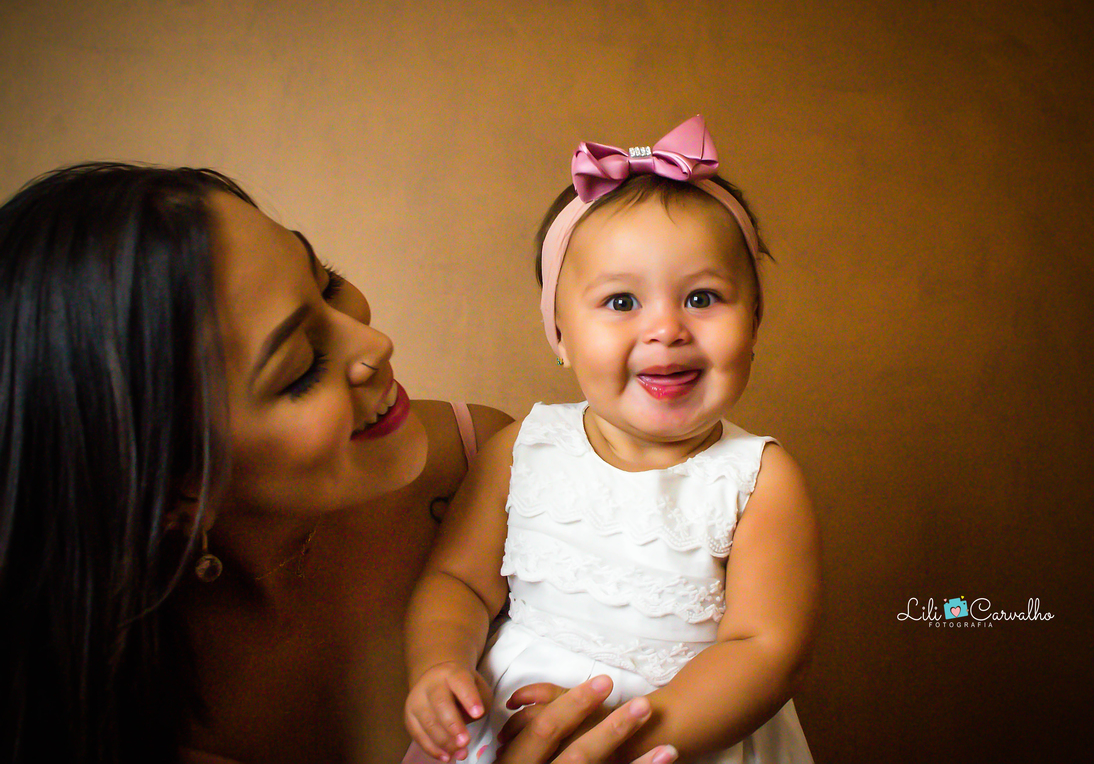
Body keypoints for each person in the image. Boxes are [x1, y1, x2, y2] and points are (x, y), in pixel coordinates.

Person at [0, 162, 679, 764]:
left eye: (326, 283)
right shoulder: (108, 700)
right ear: (174, 488)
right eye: (299, 367)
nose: (374, 343)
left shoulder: (493, 465)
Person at [404, 117, 820, 764]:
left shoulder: (761, 478)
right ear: (560, 335)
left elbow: (765, 651)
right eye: (622, 303)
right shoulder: (523, 448)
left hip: (683, 737)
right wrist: (437, 668)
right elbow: (459, 581)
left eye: (703, 297)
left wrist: (627, 740)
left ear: (756, 319)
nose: (665, 329)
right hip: (513, 728)